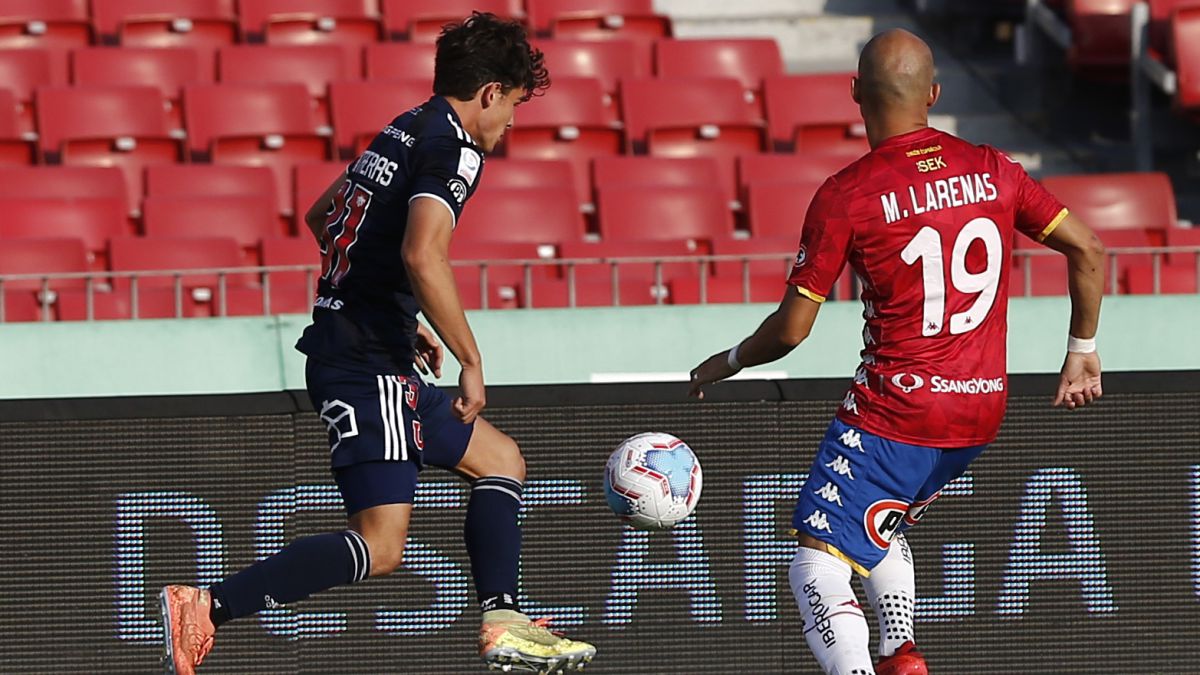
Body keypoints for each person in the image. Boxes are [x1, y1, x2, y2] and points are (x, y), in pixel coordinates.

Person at [160, 13, 596, 675]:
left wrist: (388, 305)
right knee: (382, 545)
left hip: (370, 344)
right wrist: (471, 358)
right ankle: (207, 604)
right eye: (511, 105)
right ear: (489, 93)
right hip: (366, 365)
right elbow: (425, 254)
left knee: (502, 459)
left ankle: (504, 618)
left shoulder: (404, 126)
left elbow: (323, 217)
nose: (510, 123)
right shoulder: (454, 147)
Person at [688, 29, 1105, 675]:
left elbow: (793, 329)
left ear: (855, 93)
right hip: (980, 411)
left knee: (817, 558)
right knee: (875, 526)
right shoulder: (995, 168)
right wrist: (1082, 349)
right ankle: (899, 654)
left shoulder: (847, 194)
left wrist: (732, 357)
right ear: (934, 95)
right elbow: (1089, 248)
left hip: (898, 411)